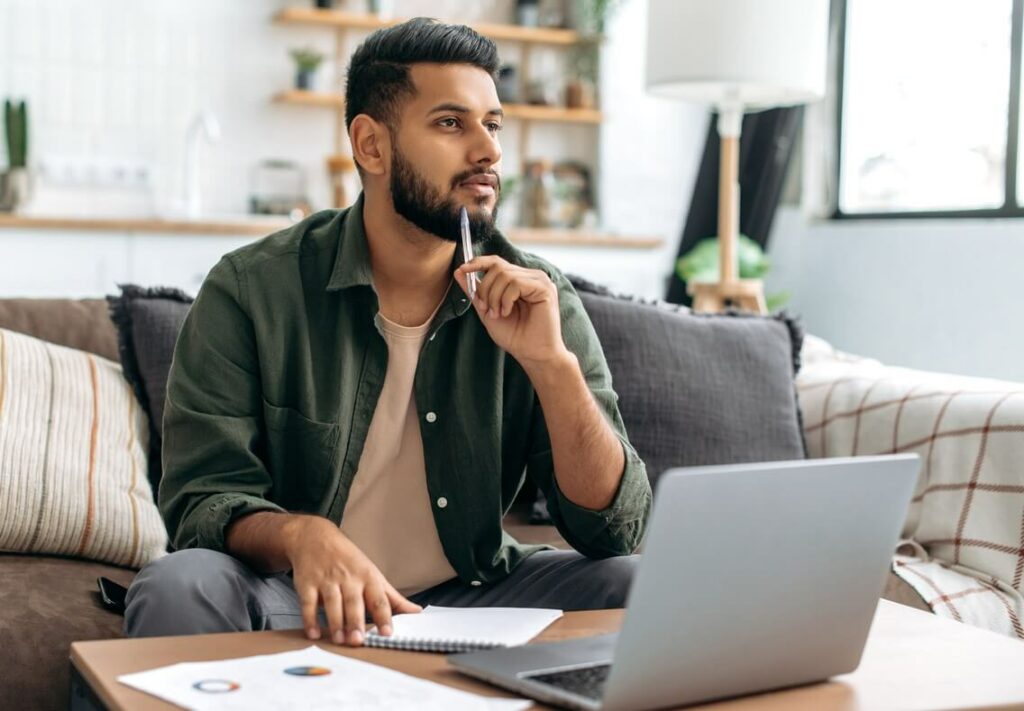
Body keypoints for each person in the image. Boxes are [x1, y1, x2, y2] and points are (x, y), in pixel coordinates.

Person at [125, 18, 651, 647]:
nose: (487, 151)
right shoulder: (250, 290)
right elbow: (200, 501)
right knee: (178, 586)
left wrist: (553, 367)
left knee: (637, 583)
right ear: (371, 146)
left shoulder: (539, 295)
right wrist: (303, 536)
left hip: (475, 589)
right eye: (452, 123)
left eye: (493, 124)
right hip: (298, 593)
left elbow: (613, 532)